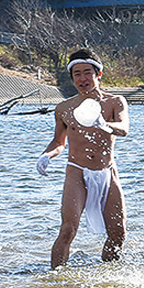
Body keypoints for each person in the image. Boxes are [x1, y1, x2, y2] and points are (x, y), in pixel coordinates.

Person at [38, 49, 129, 268]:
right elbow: (59, 143)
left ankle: (109, 273)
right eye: (77, 74)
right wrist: (46, 155)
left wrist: (104, 124)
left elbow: (124, 129)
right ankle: (55, 278)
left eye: (87, 73)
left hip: (107, 172)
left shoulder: (115, 102)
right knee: (68, 229)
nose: (82, 79)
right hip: (77, 171)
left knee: (118, 232)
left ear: (98, 74)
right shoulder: (64, 109)